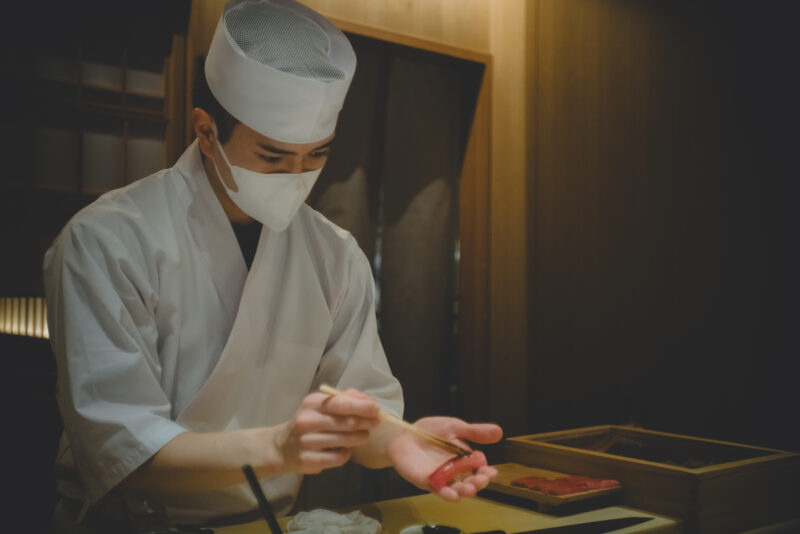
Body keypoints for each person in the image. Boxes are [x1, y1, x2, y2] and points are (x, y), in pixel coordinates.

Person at [43, 0, 502, 531]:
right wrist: (277, 446)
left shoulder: (334, 254)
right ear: (206, 130)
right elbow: (120, 454)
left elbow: (366, 413)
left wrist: (401, 438)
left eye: (317, 155)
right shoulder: (106, 240)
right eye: (273, 156)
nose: (298, 176)